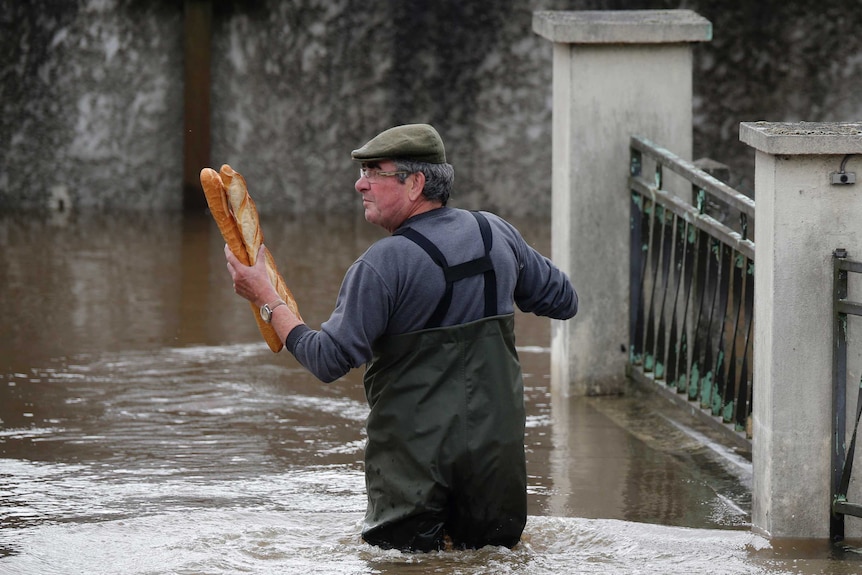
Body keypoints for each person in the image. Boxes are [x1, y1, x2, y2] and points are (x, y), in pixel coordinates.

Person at [225, 123, 578, 552]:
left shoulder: (382, 265)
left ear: (416, 183)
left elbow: (327, 360)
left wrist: (265, 299)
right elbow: (564, 300)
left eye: (374, 172)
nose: (360, 184)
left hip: (414, 470)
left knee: (402, 565)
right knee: (491, 560)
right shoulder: (496, 234)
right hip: (496, 461)